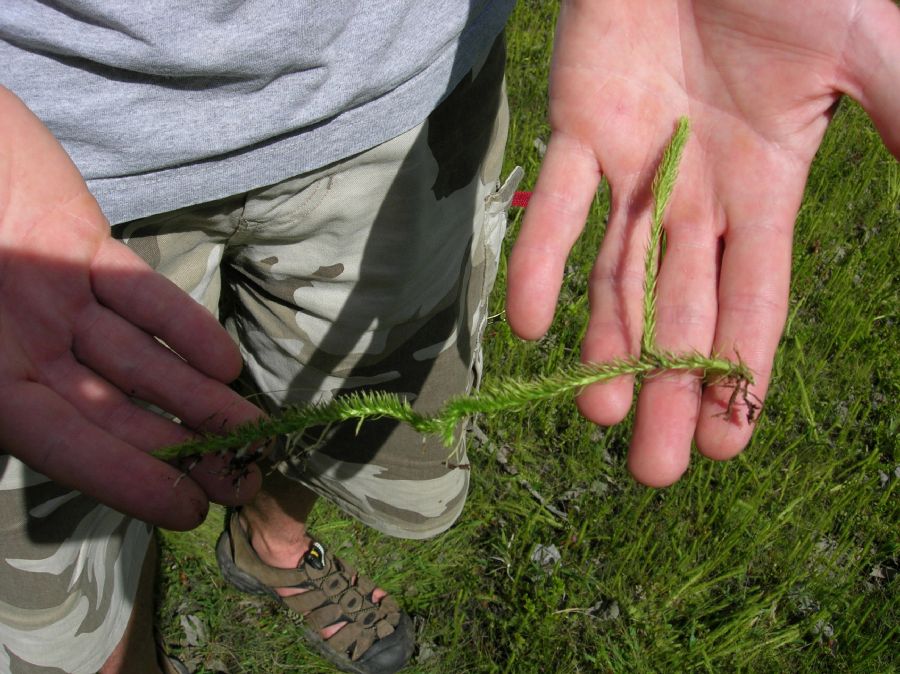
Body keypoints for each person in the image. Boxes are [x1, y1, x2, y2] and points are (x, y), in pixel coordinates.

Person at [0, 1, 897, 672]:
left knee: (351, 414)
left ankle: (268, 546)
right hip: (45, 157)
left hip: (405, 89)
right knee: (77, 523)